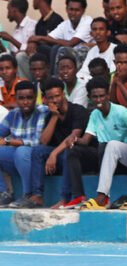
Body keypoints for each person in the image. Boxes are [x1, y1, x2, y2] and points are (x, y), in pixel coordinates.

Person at [64, 77, 127, 209]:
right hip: (104, 157)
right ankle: (79, 196)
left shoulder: (121, 112)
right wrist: (74, 140)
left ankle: (103, 196)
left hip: (123, 159)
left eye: (102, 96)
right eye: (95, 97)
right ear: (89, 97)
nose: (99, 100)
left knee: (105, 146)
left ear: (107, 95)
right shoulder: (95, 114)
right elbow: (86, 140)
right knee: (73, 151)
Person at [31, 78, 88, 208]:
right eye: (51, 98)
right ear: (46, 99)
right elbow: (44, 142)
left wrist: (53, 154)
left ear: (63, 94)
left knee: (69, 152)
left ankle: (65, 199)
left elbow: (74, 137)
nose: (55, 100)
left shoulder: (77, 110)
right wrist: (55, 117)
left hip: (77, 157)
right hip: (59, 158)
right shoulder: (50, 116)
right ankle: (37, 196)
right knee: (38, 151)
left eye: (57, 96)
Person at [0, 81, 48, 207]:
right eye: (21, 98)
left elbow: (37, 141)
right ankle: (4, 193)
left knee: (22, 150)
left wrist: (9, 142)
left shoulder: (43, 111)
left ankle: (28, 194)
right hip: (17, 158)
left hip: (37, 160)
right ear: (16, 99)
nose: (25, 102)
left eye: (29, 98)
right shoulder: (13, 114)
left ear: (35, 98)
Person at [27, 0, 92, 68]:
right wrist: (33, 43)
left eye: (77, 10)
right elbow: (48, 38)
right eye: (71, 9)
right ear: (66, 9)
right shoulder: (65, 24)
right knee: (42, 48)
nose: (73, 13)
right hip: (67, 58)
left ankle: (54, 76)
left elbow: (70, 44)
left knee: (57, 48)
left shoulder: (87, 22)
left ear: (83, 11)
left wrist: (40, 38)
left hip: (83, 58)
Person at [0, 0, 37, 80]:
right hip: (16, 65)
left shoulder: (32, 25)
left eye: (8, 10)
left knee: (20, 56)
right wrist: (1, 47)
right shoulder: (16, 30)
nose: (7, 14)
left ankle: (25, 85)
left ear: (14, 10)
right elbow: (11, 53)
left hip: (29, 66)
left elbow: (30, 51)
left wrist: (10, 38)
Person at [77, 17, 116, 82]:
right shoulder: (92, 51)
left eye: (101, 29)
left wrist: (87, 78)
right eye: (94, 29)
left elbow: (111, 74)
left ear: (108, 32)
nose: (97, 32)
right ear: (91, 33)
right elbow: (82, 73)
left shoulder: (115, 50)